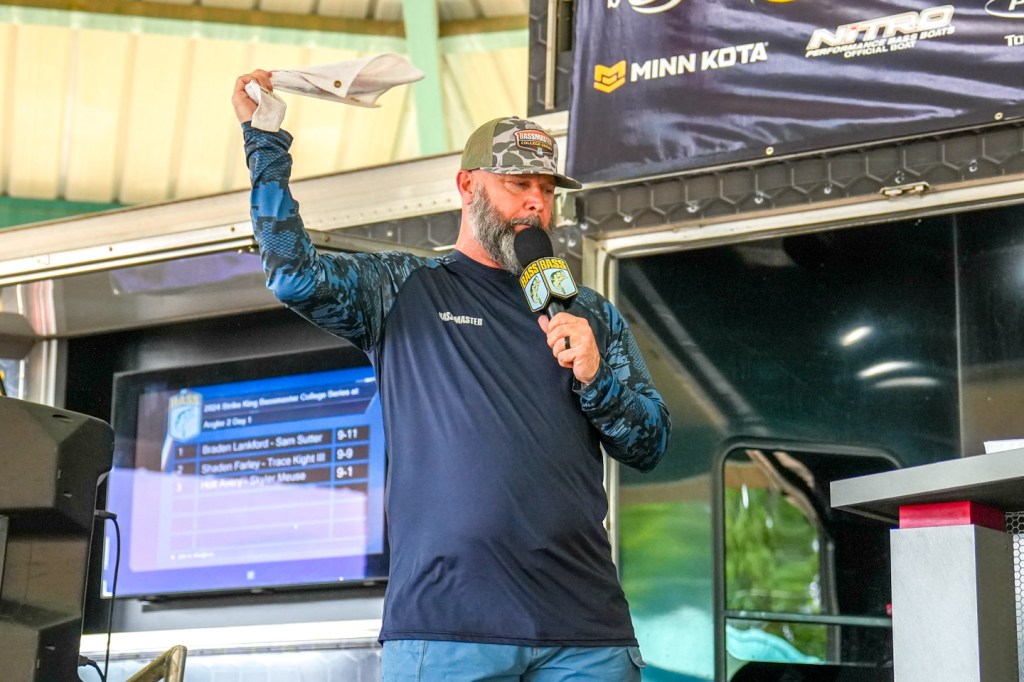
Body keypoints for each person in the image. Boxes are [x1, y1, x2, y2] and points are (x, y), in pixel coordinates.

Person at [232, 69, 671, 681]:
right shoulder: (401, 288)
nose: (537, 204)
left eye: (547, 189)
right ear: (468, 185)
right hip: (445, 629)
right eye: (518, 184)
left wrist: (598, 377)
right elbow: (293, 275)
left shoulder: (588, 313)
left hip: (585, 634)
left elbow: (650, 443)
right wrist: (265, 141)